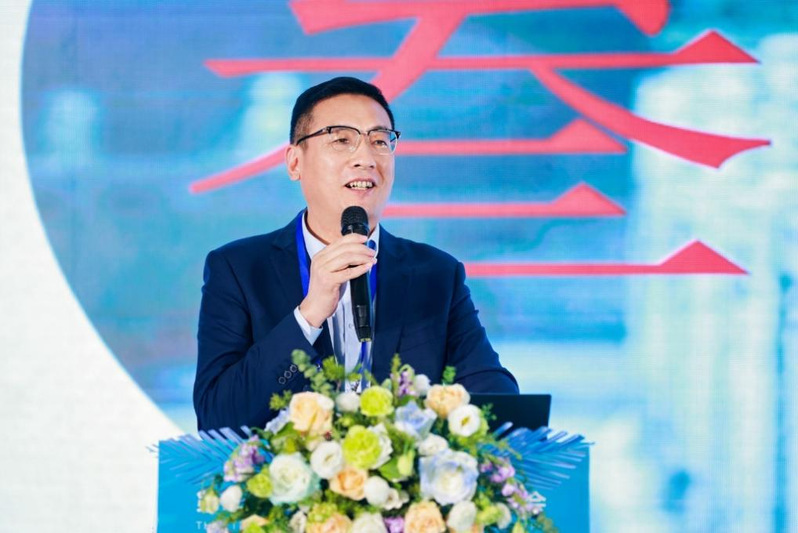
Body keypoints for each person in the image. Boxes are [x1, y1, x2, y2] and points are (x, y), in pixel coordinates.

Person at [194, 77, 518, 432]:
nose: (365, 158)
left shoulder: (437, 274)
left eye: (379, 141)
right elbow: (216, 417)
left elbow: (499, 404)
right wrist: (308, 315)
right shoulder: (238, 270)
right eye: (341, 140)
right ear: (295, 163)